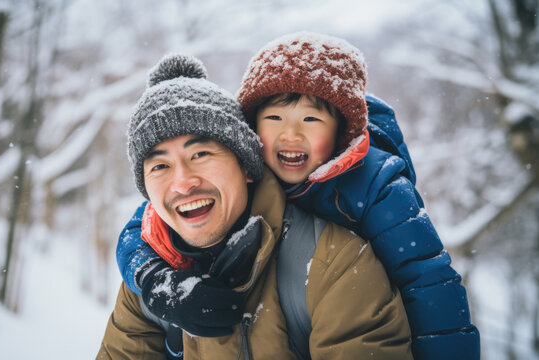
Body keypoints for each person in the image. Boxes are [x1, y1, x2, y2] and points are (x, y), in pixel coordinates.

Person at [114, 32, 480, 360]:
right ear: (253, 136)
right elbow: (140, 227)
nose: (290, 136)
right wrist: (151, 278)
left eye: (311, 120)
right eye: (274, 119)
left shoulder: (372, 195)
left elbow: (428, 278)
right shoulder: (168, 250)